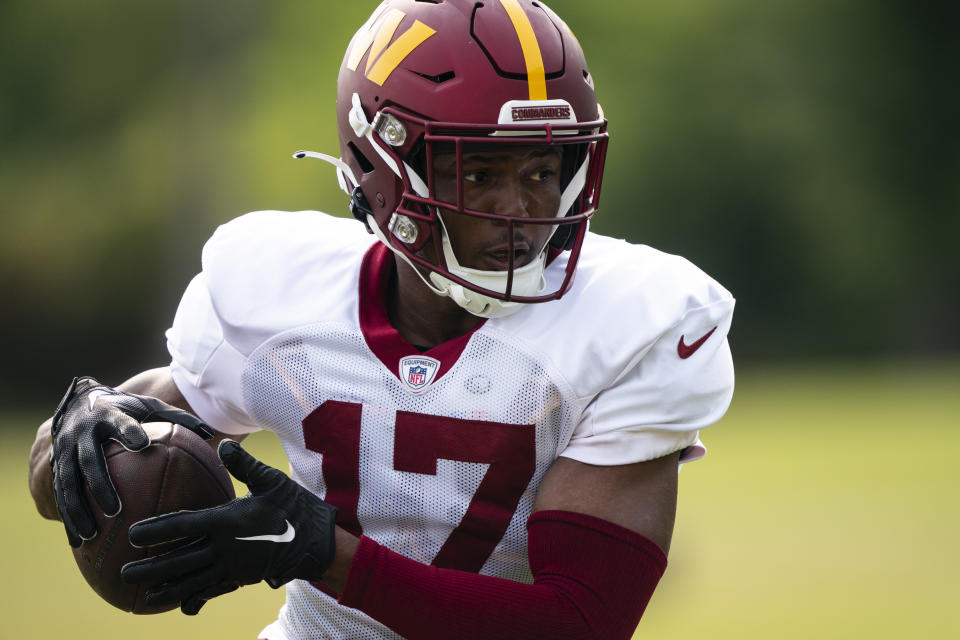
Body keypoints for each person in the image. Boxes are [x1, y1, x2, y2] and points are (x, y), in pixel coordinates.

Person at [28, 1, 735, 638]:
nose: (521, 210)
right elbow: (81, 467)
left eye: (542, 171)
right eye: (480, 173)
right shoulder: (279, 290)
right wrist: (75, 433)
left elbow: (577, 622)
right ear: (382, 167)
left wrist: (323, 553)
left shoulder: (628, 320)